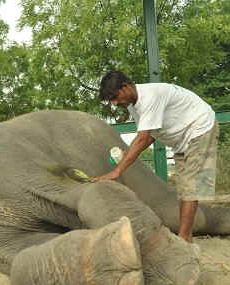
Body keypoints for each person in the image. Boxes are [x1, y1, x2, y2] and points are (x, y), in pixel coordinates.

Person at [91, 70, 219, 243]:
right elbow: (150, 135)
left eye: (115, 96)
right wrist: (125, 156)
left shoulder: (150, 97)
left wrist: (117, 171)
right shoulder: (133, 106)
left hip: (200, 128)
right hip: (182, 139)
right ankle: (186, 236)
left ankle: (183, 239)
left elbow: (143, 138)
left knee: (191, 187)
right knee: (184, 189)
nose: (114, 103)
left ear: (126, 86)